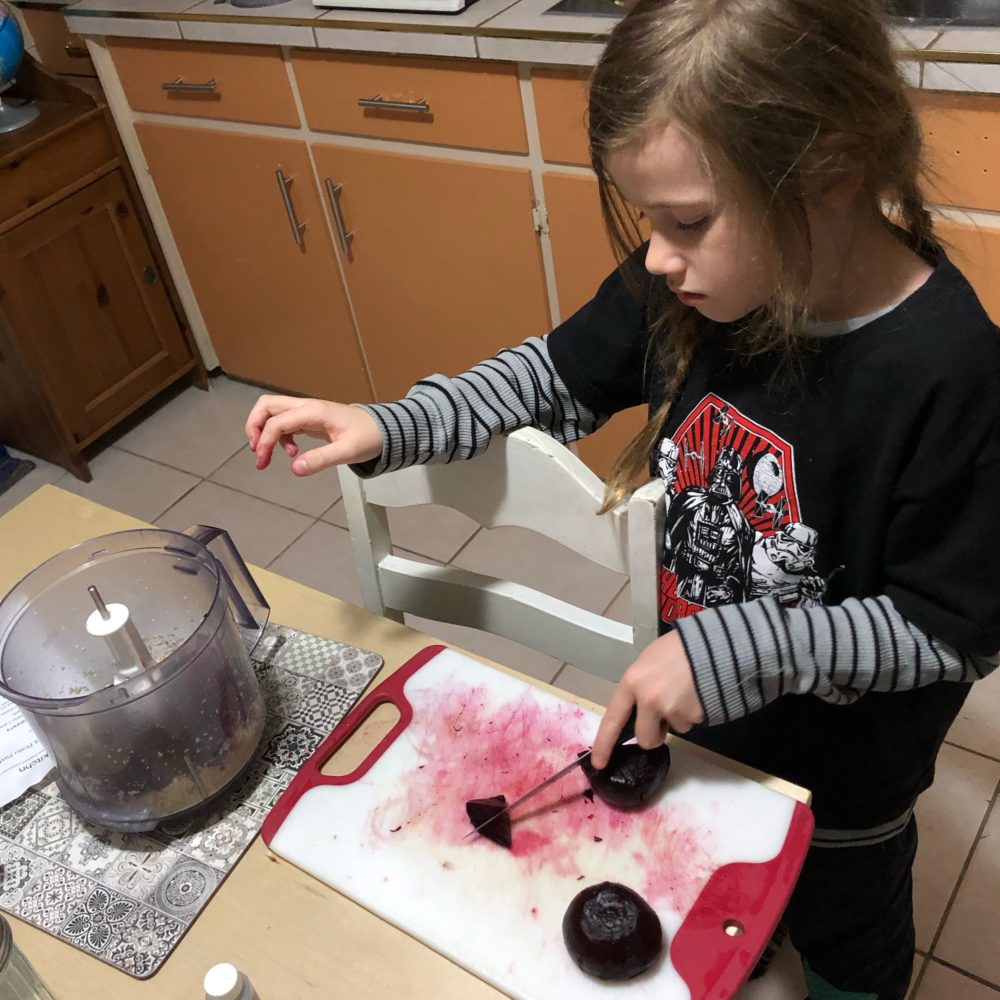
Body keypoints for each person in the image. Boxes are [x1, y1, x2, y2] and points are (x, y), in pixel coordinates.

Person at [245, 1, 1000, 996]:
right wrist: (396, 423)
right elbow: (553, 377)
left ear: (832, 174)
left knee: (837, 960)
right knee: (719, 944)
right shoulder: (694, 282)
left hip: (842, 801)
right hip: (695, 739)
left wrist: (745, 647)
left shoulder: (949, 371)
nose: (654, 254)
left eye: (685, 220)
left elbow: (951, 631)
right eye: (648, 219)